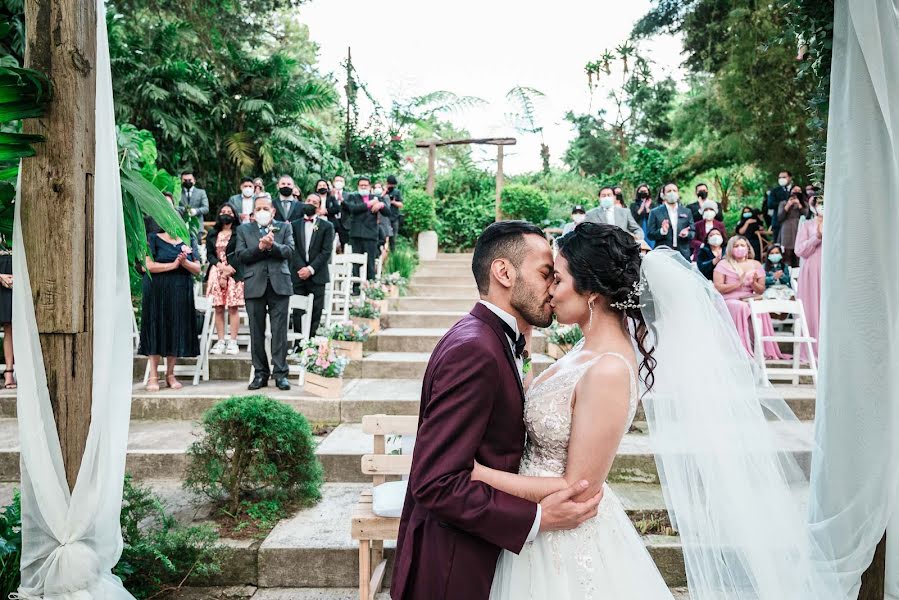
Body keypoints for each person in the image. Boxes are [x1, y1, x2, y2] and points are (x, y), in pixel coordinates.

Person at [475, 232, 842, 599]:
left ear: (592, 292)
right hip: (531, 525)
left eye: (558, 278)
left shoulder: (609, 370)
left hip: (562, 539)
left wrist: (478, 475)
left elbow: (580, 487)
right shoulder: (582, 352)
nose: (550, 291)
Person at [392, 221, 603, 600]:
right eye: (545, 274)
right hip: (454, 567)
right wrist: (538, 519)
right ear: (504, 272)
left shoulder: (490, 337)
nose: (553, 288)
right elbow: (436, 482)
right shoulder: (475, 350)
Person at [235, 195, 296, 391]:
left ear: (273, 211)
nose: (262, 212)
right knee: (256, 332)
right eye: (258, 208)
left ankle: (280, 374)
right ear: (253, 213)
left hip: (279, 284)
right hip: (255, 285)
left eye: (265, 208)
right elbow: (241, 256)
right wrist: (260, 248)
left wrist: (273, 246)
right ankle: (260, 373)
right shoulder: (244, 229)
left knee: (279, 332)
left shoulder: (284, 227)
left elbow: (289, 251)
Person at [139, 221, 202, 391]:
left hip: (180, 291)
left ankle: (170, 374)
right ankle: (153, 376)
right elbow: (147, 266)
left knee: (175, 328)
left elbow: (197, 268)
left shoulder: (188, 239)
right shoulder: (152, 238)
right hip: (157, 290)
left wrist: (183, 263)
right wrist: (172, 265)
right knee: (155, 328)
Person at [713, 236, 786, 360]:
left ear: (748, 248)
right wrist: (738, 284)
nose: (740, 248)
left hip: (750, 298)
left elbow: (761, 289)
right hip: (729, 299)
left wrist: (753, 283)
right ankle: (742, 349)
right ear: (731, 248)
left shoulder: (756, 264)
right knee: (741, 307)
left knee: (759, 307)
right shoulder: (723, 264)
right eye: (736, 246)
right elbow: (718, 287)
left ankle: (761, 349)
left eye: (742, 245)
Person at [290, 193, 335, 343]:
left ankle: (310, 341)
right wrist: (302, 268)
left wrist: (310, 269)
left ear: (319, 207)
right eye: (308, 200)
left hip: (317, 275)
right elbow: (293, 248)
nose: (310, 203)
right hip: (298, 273)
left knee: (316, 310)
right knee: (297, 310)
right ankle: (298, 342)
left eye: (314, 202)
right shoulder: (294, 225)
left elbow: (326, 252)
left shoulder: (327, 226)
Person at [206, 204, 244, 355]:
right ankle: (221, 340)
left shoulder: (239, 233)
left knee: (233, 307)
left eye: (229, 212)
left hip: (234, 271)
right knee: (219, 307)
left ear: (234, 215)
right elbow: (210, 255)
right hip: (216, 271)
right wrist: (221, 268)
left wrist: (227, 271)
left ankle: (233, 341)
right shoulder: (212, 234)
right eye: (223, 212)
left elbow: (240, 252)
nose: (225, 214)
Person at [345, 176, 389, 281]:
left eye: (366, 185)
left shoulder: (376, 198)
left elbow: (388, 213)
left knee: (370, 262)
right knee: (355, 262)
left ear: (370, 186)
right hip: (356, 234)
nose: (363, 187)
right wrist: (369, 204)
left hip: (371, 234)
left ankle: (370, 287)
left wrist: (381, 205)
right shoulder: (353, 197)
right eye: (361, 185)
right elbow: (353, 209)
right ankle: (356, 288)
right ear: (358, 186)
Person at [795, 197, 823, 361]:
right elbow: (799, 250)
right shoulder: (806, 225)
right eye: (819, 203)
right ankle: (812, 350)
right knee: (811, 309)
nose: (822, 206)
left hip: (830, 271)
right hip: (811, 272)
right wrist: (817, 237)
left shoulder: (837, 222)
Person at [647, 182, 694, 260]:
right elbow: (650, 234)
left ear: (678, 194)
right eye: (669, 191)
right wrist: (662, 231)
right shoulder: (655, 212)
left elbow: (693, 231)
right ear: (663, 195)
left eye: (674, 191)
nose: (672, 193)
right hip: (663, 253)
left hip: (683, 253)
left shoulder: (686, 211)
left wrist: (687, 234)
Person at [776, 185, 807, 267]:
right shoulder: (783, 203)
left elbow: (806, 215)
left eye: (798, 190)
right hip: (786, 229)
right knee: (787, 252)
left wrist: (799, 204)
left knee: (798, 252)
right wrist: (788, 205)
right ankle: (787, 270)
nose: (796, 192)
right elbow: (780, 217)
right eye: (794, 190)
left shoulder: (804, 203)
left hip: (798, 227)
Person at [764, 169, 793, 238]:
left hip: (792, 223)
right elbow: (770, 205)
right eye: (780, 177)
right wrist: (785, 204)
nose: (781, 179)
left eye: (784, 177)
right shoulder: (774, 191)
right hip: (777, 223)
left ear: (790, 178)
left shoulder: (796, 189)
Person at [0, 245, 13, 389]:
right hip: (2, 267)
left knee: (12, 324)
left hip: (19, 263)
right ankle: (9, 372)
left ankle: (10, 372)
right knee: (8, 324)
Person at [326, 174, 350, 248]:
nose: (339, 182)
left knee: (345, 245)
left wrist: (342, 200)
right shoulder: (328, 195)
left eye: (341, 181)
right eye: (337, 180)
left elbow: (351, 208)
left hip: (344, 223)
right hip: (331, 221)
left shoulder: (349, 195)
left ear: (344, 183)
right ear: (333, 182)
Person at [386, 174, 404, 250]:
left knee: (393, 239)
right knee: (384, 239)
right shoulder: (384, 191)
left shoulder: (397, 192)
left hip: (394, 218)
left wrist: (393, 202)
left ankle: (393, 256)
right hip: (385, 218)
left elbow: (401, 205)